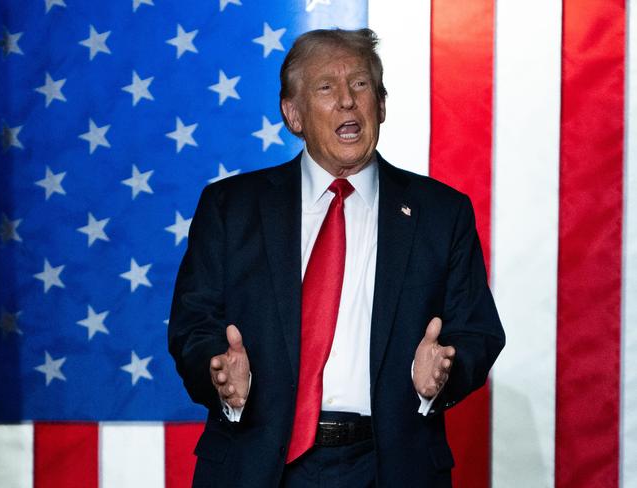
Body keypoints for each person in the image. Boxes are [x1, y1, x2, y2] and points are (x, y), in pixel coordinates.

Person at [168, 28, 505, 488]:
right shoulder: (230, 208)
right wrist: (218, 373)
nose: (347, 101)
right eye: (326, 87)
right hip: (259, 462)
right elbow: (193, 324)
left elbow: (478, 331)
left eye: (361, 84)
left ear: (381, 105)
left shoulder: (440, 212)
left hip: (390, 466)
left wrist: (442, 373)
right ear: (293, 115)